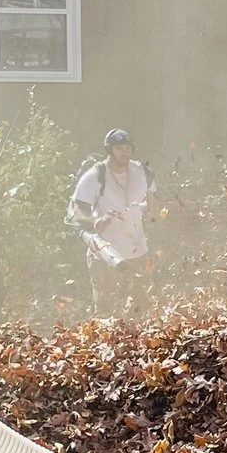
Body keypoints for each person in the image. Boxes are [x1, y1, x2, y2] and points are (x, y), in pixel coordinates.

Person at [67, 129, 152, 317]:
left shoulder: (142, 172)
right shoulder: (95, 175)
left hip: (138, 251)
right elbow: (77, 211)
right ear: (109, 150)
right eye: (119, 148)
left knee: (140, 306)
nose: (125, 152)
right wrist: (96, 221)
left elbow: (154, 199)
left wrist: (154, 215)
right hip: (105, 255)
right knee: (105, 310)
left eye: (128, 148)